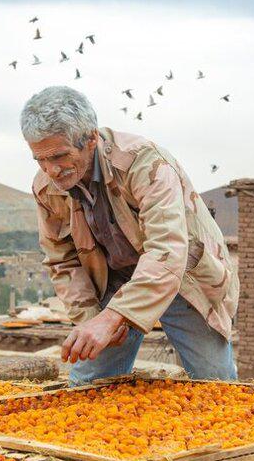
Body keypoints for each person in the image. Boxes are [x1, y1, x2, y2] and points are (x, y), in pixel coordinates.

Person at [20, 86, 239, 385]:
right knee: (88, 387)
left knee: (216, 386)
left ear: (91, 138)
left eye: (60, 156)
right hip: (115, 279)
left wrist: (114, 317)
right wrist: (92, 320)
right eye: (40, 160)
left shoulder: (144, 163)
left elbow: (167, 252)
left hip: (181, 277)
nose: (52, 170)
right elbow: (62, 260)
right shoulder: (47, 186)